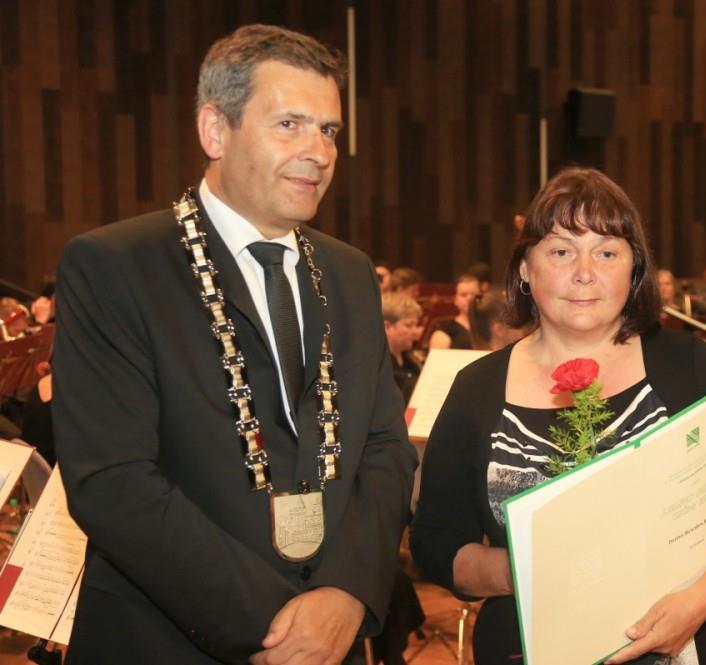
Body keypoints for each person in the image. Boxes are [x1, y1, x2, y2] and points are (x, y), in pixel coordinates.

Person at [53, 25, 417, 664]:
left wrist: (345, 594)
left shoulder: (349, 272)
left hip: (330, 633)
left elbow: (384, 449)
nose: (318, 152)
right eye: (289, 125)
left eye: (329, 130)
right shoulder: (116, 266)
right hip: (168, 640)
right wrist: (276, 626)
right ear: (215, 130)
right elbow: (112, 481)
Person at [410, 167, 706, 665]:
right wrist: (522, 573)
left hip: (685, 644)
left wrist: (698, 604)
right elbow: (436, 542)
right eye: (561, 251)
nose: (584, 272)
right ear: (525, 269)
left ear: (634, 269)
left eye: (607, 252)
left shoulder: (688, 365)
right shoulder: (476, 388)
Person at [382, 292, 424, 403]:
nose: (415, 331)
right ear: (387, 327)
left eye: (416, 325)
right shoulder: (380, 366)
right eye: (409, 325)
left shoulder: (411, 360)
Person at [427, 274, 479, 350]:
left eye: (474, 294)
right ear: (455, 300)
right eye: (463, 295)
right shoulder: (444, 332)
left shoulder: (491, 328)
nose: (469, 299)